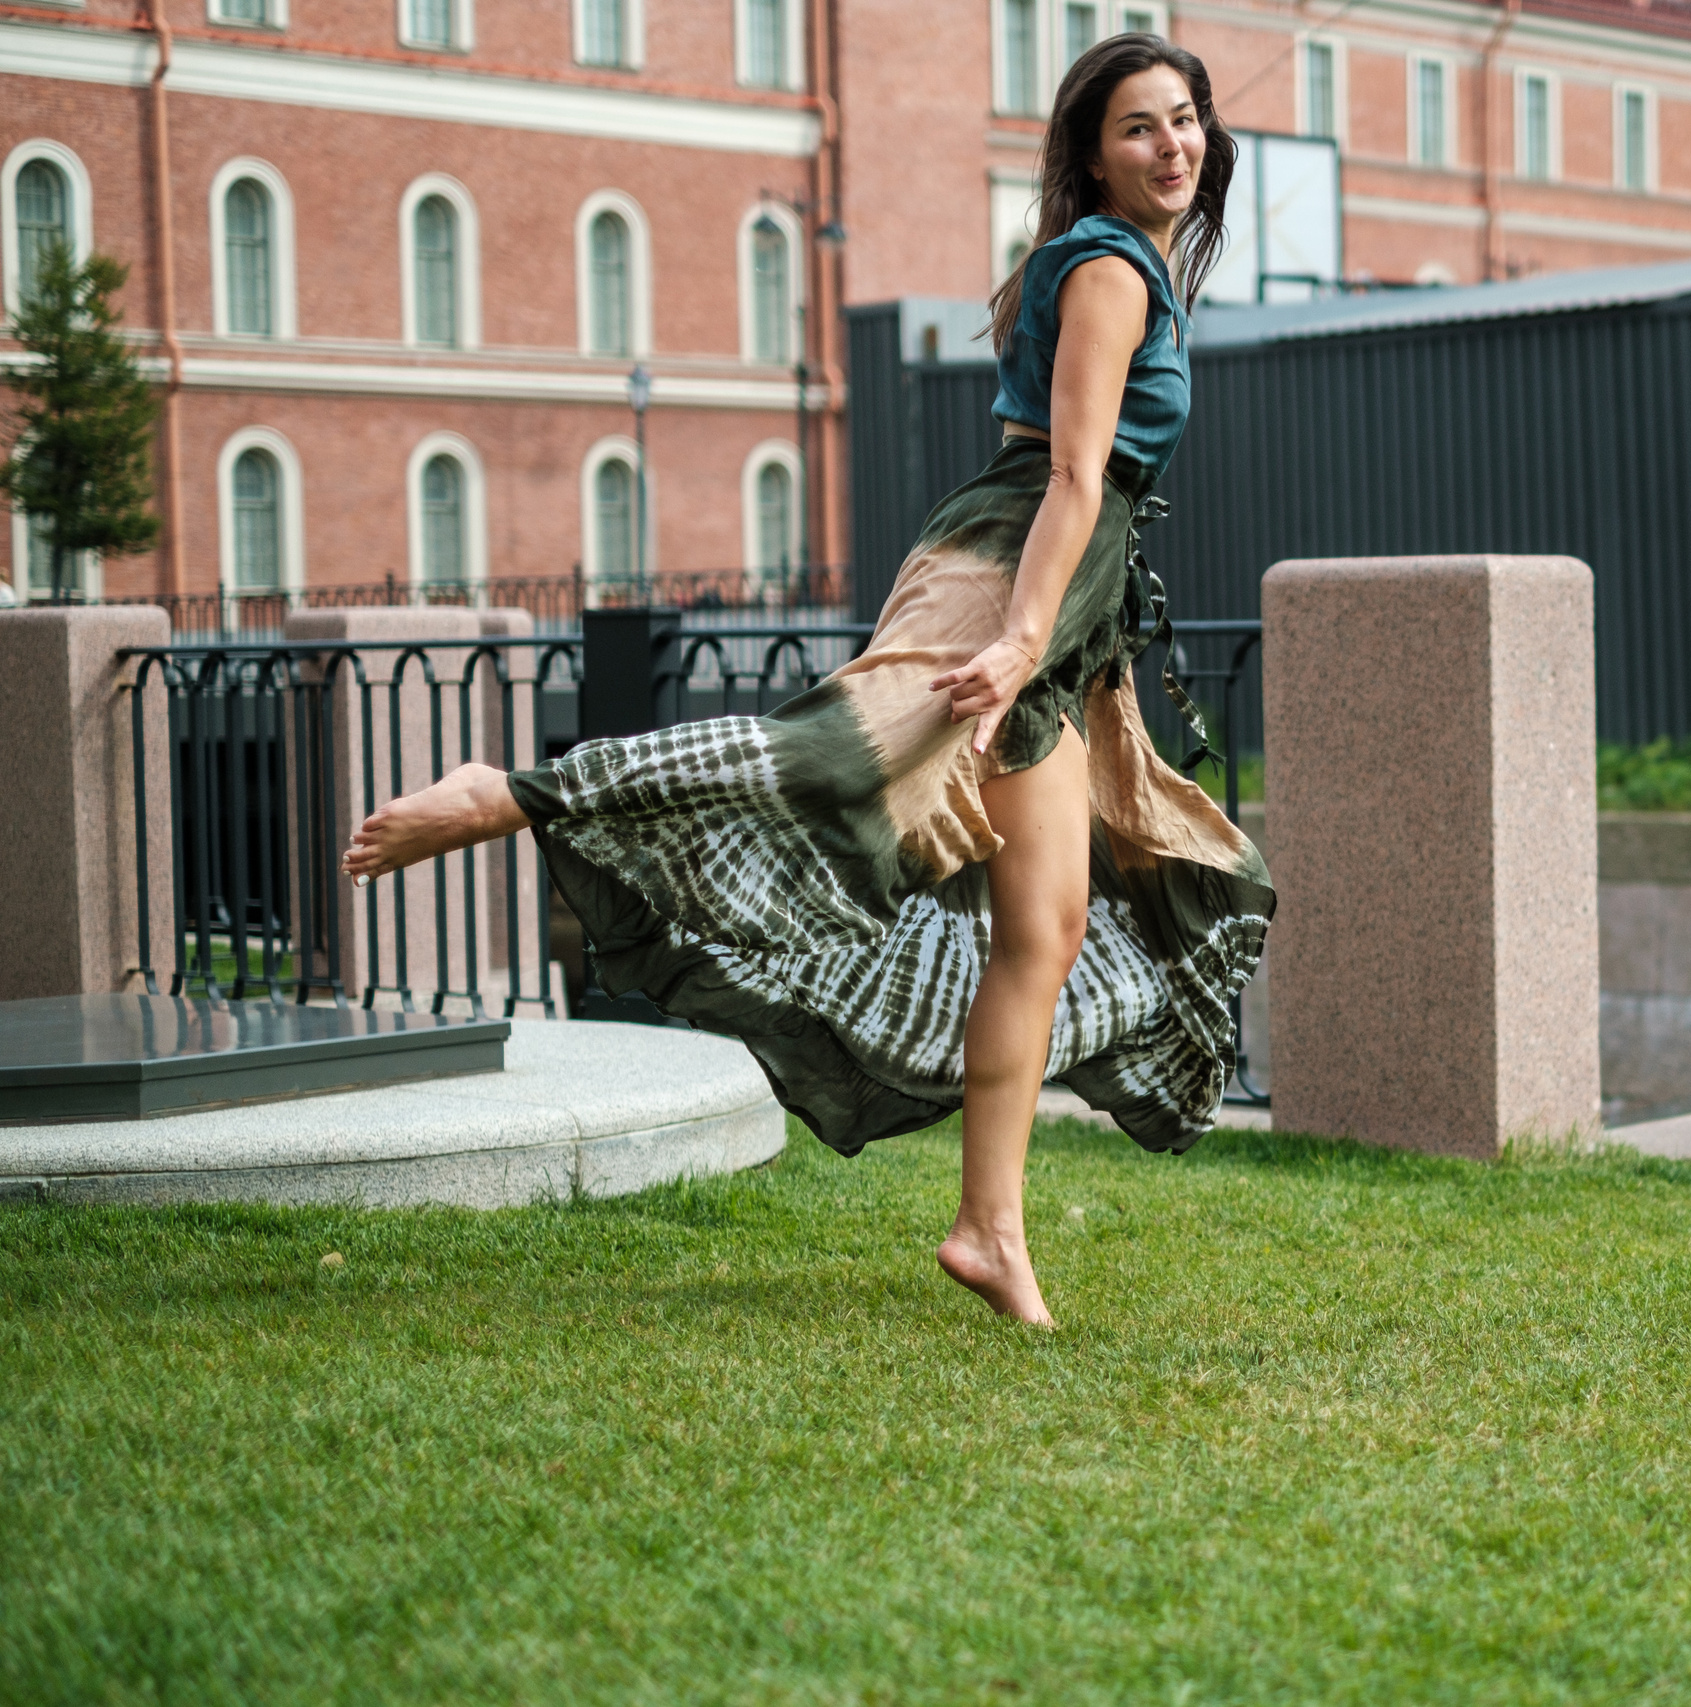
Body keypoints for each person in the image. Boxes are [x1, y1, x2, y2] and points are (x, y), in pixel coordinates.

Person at [340, 35, 1272, 1329]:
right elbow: (1069, 477)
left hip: (1063, 607)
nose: (1172, 145)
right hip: (1009, 573)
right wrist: (1009, 640)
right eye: (1139, 128)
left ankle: (988, 1229)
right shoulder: (1112, 270)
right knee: (838, 765)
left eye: (1186, 121)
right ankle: (511, 792)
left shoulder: (1137, 264)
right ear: (1092, 154)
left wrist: (1052, 642)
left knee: (1047, 926)